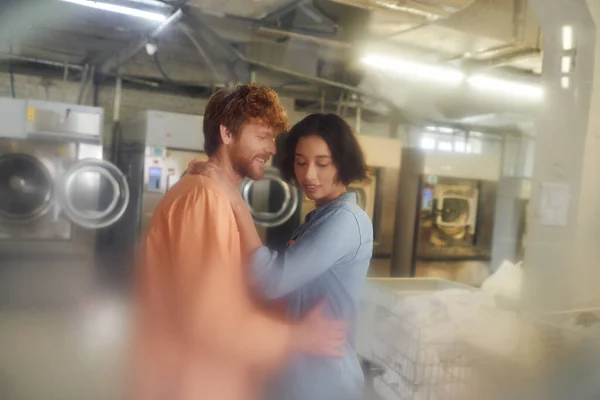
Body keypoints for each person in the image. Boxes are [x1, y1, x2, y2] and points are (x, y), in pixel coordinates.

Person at [128, 86, 348, 400]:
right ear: (227, 133)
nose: (272, 148)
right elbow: (210, 320)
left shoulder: (211, 194)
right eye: (261, 136)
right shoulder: (206, 198)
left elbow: (226, 292)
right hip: (193, 382)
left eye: (273, 137)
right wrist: (296, 336)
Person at [195, 113, 374, 400]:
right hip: (298, 372)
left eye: (322, 163)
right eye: (301, 162)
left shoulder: (345, 221)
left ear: (343, 162)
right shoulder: (320, 216)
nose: (309, 175)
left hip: (324, 382)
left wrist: (236, 201)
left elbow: (273, 281)